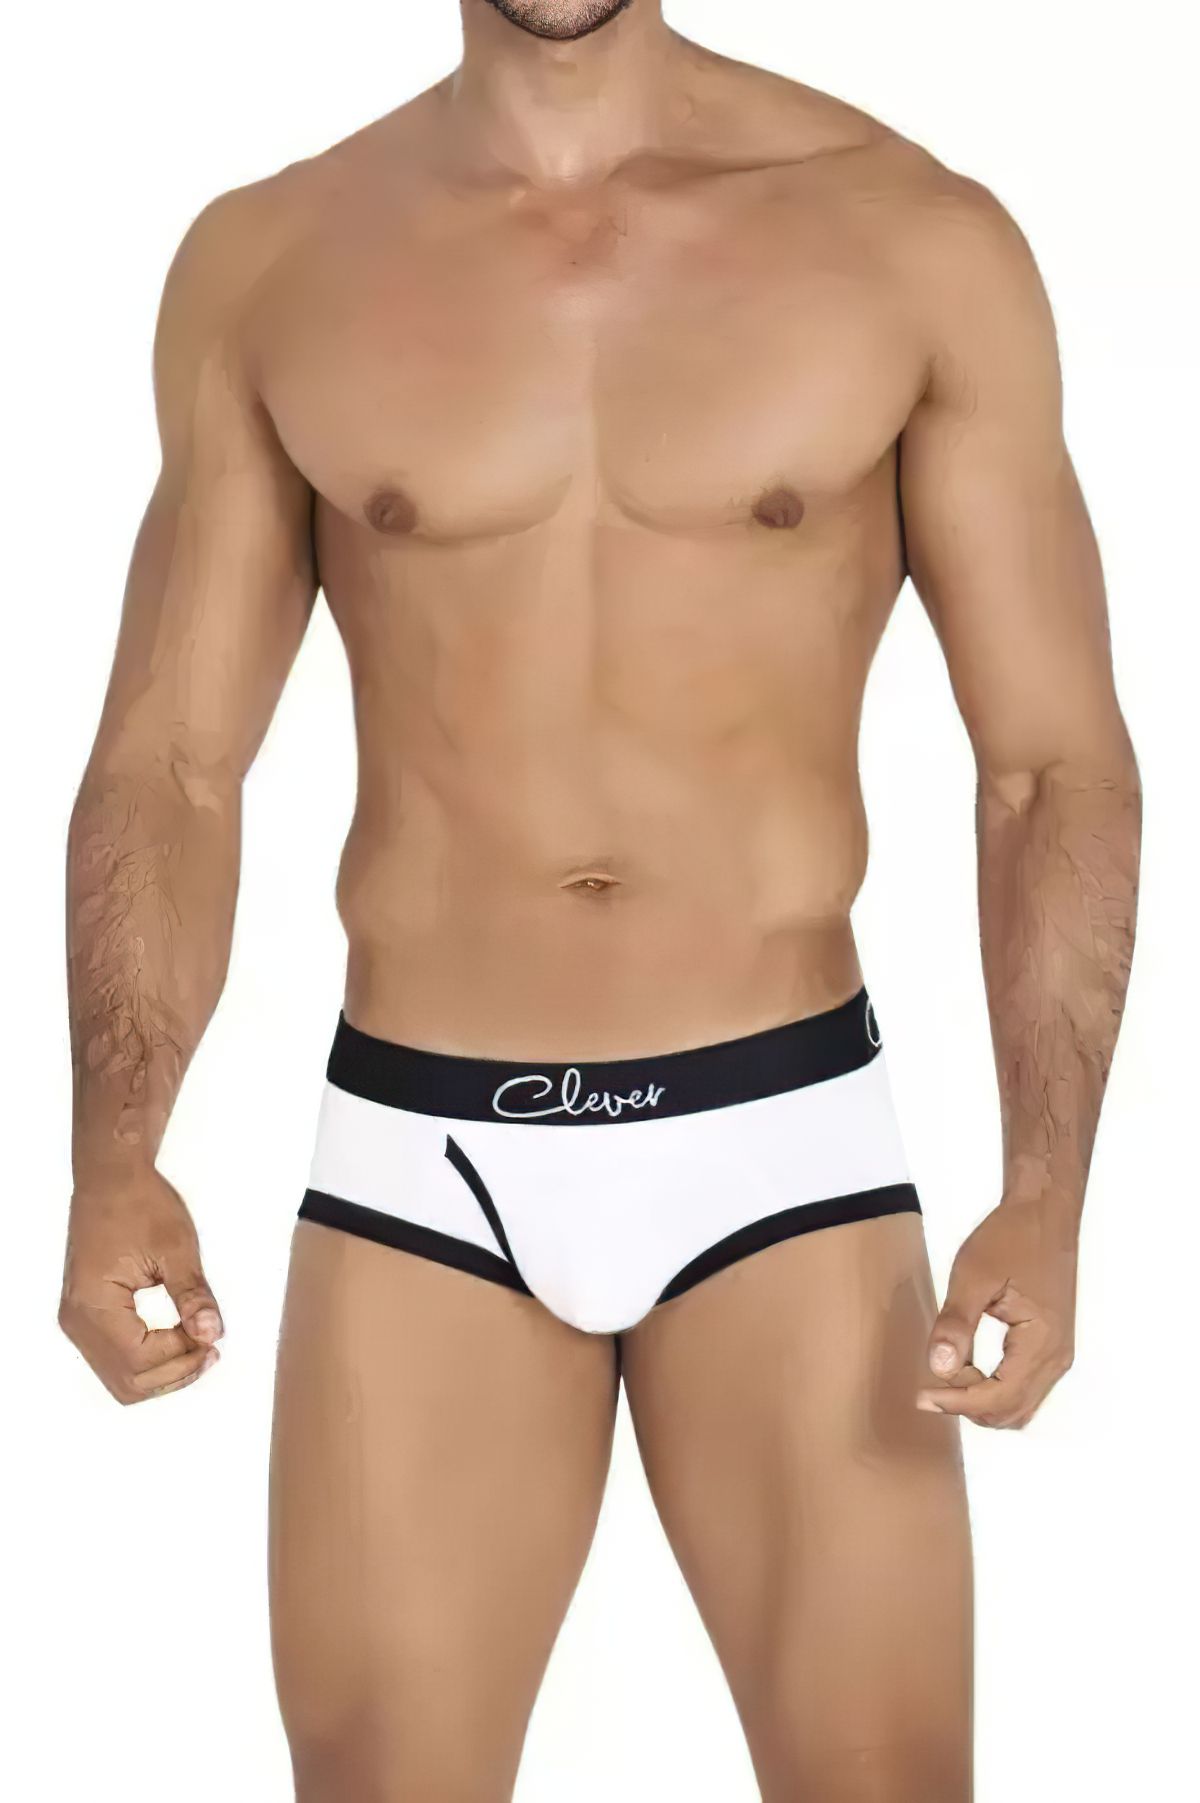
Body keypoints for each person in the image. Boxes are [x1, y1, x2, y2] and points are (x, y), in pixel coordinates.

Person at [59, 2, 1141, 1796]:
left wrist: (1049, 1194)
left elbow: (1050, 763)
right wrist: (114, 1152)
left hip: (781, 1145)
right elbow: (170, 763)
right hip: (428, 1158)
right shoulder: (278, 260)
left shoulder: (911, 241)